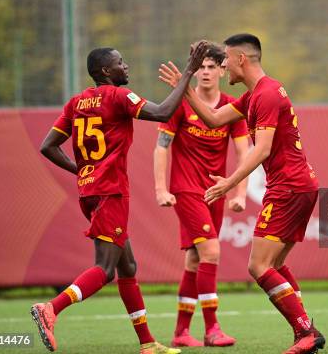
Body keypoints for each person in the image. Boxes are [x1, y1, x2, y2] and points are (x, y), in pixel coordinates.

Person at [32, 41, 210, 354]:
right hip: (111, 191)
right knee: (104, 269)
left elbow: (48, 145)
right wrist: (189, 71)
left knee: (127, 266)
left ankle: (147, 343)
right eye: (120, 62)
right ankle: (51, 309)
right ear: (105, 71)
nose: (125, 66)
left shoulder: (76, 103)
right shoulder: (118, 95)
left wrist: (84, 170)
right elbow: (163, 112)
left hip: (90, 191)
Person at [159, 33, 325, 354]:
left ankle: (305, 330)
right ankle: (305, 329)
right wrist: (183, 87)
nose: (222, 67)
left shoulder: (265, 96)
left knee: (258, 267)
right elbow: (213, 119)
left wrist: (230, 183)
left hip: (288, 187)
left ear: (240, 60)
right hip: (300, 184)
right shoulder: (256, 95)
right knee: (274, 264)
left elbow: (261, 149)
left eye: (224, 61)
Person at [153, 43, 249, 347]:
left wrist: (239, 193)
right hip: (187, 191)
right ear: (193, 70)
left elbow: (244, 152)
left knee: (195, 260)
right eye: (200, 67)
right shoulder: (179, 103)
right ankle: (212, 329)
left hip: (215, 192)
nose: (205, 72)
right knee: (211, 253)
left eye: (211, 67)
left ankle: (181, 332)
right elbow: (161, 147)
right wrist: (160, 189)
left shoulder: (232, 107)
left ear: (223, 70)